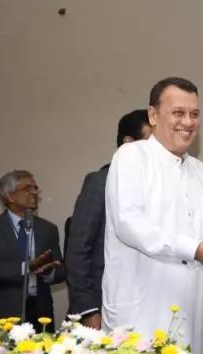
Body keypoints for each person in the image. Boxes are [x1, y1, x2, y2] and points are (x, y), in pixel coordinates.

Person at [103, 77, 203, 354]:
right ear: (153, 115)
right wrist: (195, 249)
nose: (188, 122)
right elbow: (130, 223)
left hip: (190, 311)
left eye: (194, 114)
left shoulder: (200, 170)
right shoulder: (131, 157)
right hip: (141, 314)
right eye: (178, 112)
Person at [66, 109, 151, 329]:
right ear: (128, 143)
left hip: (140, 306)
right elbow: (77, 251)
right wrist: (89, 310)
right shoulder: (100, 182)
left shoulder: (154, 186)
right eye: (150, 142)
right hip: (100, 307)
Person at [0, 170, 65, 330]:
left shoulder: (48, 229)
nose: (34, 192)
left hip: (41, 312)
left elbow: (60, 271)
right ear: (10, 196)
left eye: (35, 188)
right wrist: (26, 268)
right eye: (27, 188)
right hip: (4, 314)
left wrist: (49, 272)